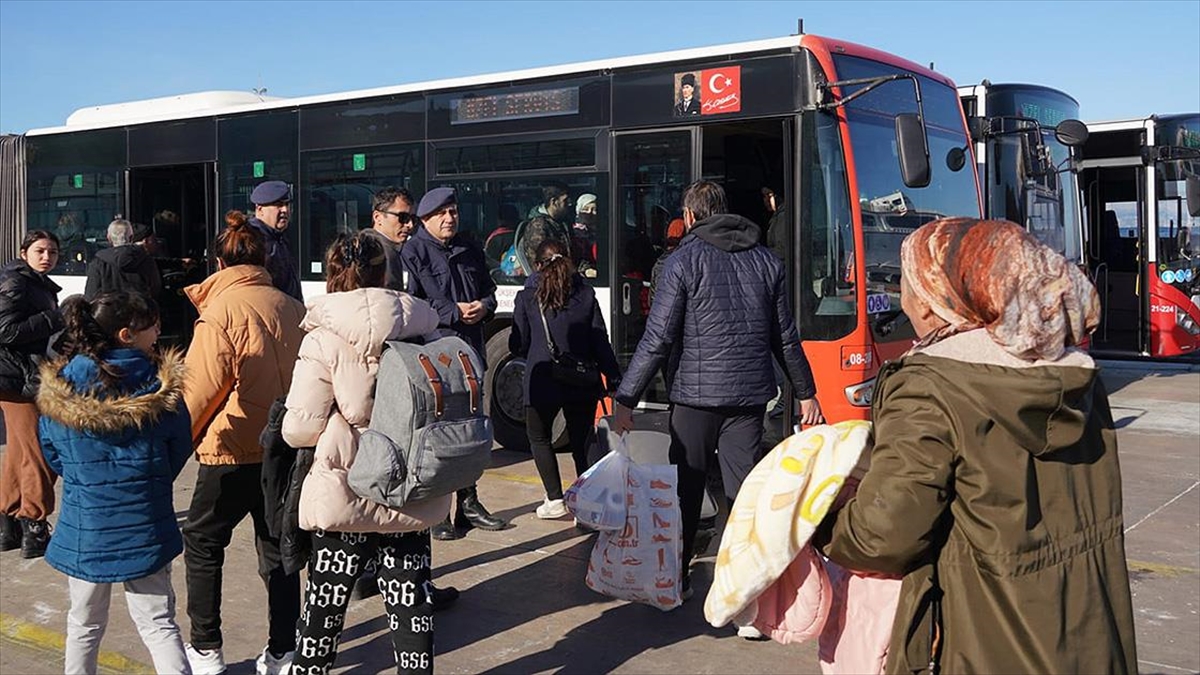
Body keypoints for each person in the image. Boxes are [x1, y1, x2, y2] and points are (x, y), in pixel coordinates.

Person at [818, 218, 1138, 673]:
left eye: (905, 283)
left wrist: (822, 521)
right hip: (1084, 635)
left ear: (933, 303)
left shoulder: (931, 388)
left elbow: (884, 533)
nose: (902, 299)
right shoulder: (1076, 376)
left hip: (982, 641)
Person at [611, 180, 823, 602]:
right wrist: (806, 392)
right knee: (743, 496)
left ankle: (678, 582)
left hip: (693, 400)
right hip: (748, 400)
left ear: (689, 216)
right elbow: (785, 337)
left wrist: (625, 399)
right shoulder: (767, 261)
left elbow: (658, 338)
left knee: (685, 495)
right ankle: (745, 598)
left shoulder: (681, 262)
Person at [283, 232, 450, 675]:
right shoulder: (423, 326)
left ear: (334, 274)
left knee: (324, 610)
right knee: (410, 604)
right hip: (410, 486)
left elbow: (300, 428)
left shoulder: (322, 336)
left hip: (346, 485)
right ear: (386, 273)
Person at [36, 292, 192, 675]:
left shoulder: (62, 391)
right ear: (126, 334)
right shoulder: (161, 389)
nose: (158, 331)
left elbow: (53, 453)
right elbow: (179, 449)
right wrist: (149, 479)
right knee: (158, 623)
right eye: (150, 326)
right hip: (146, 521)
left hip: (85, 527)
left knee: (84, 623)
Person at [181, 210, 307, 675]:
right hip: (283, 448)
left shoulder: (219, 314)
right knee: (278, 548)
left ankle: (207, 648)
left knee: (202, 542)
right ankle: (283, 651)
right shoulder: (292, 307)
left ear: (218, 263)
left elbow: (197, 396)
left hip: (229, 449)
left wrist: (171, 450)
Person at [402, 187, 507, 540]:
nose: (450, 219)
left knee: (471, 430)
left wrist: (485, 306)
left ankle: (469, 503)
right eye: (441, 214)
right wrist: (452, 311)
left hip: (470, 351)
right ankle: (439, 513)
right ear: (425, 219)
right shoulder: (412, 252)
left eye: (453, 212)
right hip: (436, 355)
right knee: (439, 432)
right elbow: (409, 304)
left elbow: (490, 290)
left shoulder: (468, 246)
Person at [509, 239, 621, 519]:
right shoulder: (585, 294)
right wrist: (615, 377)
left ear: (537, 265)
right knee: (582, 441)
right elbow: (600, 341)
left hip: (542, 379)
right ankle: (588, 501)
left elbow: (518, 343)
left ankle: (555, 500)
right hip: (580, 380)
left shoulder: (528, 296)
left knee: (539, 437)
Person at [0, 230, 63, 559]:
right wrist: (54, 317)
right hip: (17, 379)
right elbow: (6, 331)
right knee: (38, 452)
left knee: (19, 450)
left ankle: (8, 521)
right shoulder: (16, 282)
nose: (46, 257)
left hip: (19, 377)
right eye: (40, 251)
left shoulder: (32, 282)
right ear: (24, 252)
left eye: (52, 252)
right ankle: (34, 523)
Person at [248, 180, 303, 302]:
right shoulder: (253, 242)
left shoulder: (279, 238)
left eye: (287, 204)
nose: (285, 210)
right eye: (278, 204)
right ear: (260, 209)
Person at [84, 217, 162, 301]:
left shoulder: (98, 262)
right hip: (138, 311)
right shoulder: (146, 260)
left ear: (109, 238)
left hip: (108, 312)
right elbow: (155, 291)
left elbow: (91, 295)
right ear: (131, 237)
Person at [361, 186, 418, 290]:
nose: (410, 225)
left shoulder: (391, 248)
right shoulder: (377, 250)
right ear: (378, 217)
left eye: (413, 219)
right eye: (403, 217)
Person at [517, 183, 573, 276]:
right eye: (565, 200)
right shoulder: (538, 226)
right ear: (554, 202)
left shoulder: (563, 223)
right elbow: (541, 261)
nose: (569, 204)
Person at [571, 193, 599, 276]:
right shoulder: (573, 232)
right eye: (585, 209)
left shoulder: (604, 231)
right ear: (578, 211)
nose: (589, 213)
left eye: (594, 209)